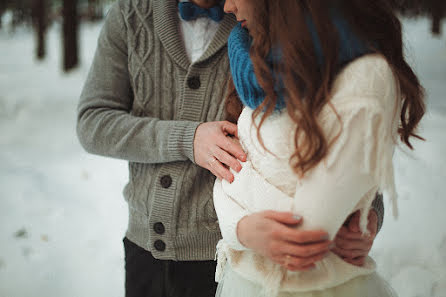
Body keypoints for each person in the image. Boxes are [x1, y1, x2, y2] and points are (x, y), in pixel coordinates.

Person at [76, 0, 388, 296]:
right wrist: (188, 139)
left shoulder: (262, 16)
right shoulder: (130, 14)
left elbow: (337, 118)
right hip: (145, 251)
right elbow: (93, 121)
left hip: (238, 256)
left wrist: (367, 210)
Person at [213, 0, 425, 296]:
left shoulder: (365, 78)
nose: (227, 6)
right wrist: (241, 228)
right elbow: (228, 167)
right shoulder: (260, 58)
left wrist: (231, 201)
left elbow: (305, 235)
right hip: (247, 282)